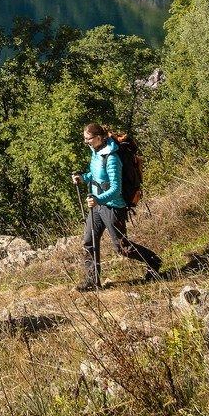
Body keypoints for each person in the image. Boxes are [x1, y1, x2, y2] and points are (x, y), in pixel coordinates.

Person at [73, 121, 162, 290]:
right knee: (89, 241)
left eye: (88, 139)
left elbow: (116, 189)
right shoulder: (96, 152)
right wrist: (83, 177)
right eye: (85, 139)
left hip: (113, 207)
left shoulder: (112, 158)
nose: (86, 142)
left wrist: (99, 200)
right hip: (97, 206)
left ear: (98, 138)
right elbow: (96, 174)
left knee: (122, 247)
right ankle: (92, 280)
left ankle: (153, 261)